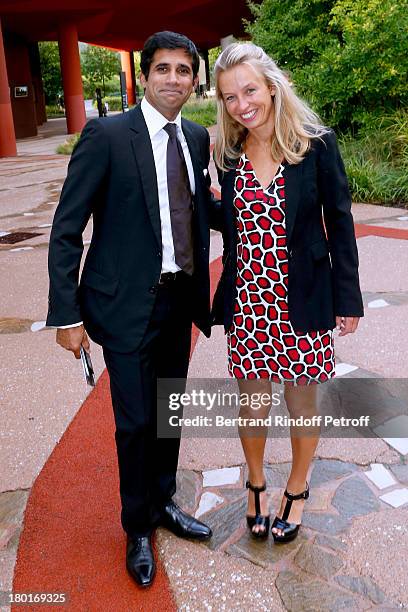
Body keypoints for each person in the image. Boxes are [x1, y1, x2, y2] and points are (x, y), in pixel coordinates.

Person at [47, 31, 221, 587]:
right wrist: (66, 315)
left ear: (195, 80)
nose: (174, 78)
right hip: (123, 305)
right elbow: (67, 229)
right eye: (163, 68)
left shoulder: (196, 138)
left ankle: (165, 502)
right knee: (135, 421)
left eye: (184, 70)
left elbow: (201, 211)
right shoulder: (106, 135)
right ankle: (137, 527)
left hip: (178, 299)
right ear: (144, 77)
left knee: (169, 411)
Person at [211, 43, 363, 542]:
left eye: (249, 90)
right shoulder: (228, 153)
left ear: (272, 87)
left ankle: (296, 488)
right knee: (251, 404)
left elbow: (340, 223)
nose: (241, 105)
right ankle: (256, 483)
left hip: (303, 300)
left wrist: (348, 299)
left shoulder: (316, 144)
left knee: (302, 405)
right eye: (230, 97)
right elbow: (234, 222)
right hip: (249, 298)